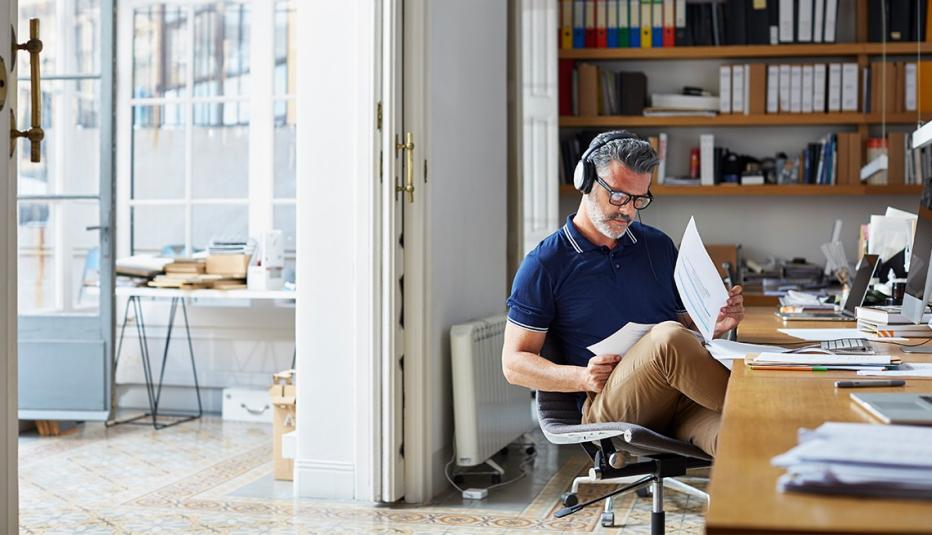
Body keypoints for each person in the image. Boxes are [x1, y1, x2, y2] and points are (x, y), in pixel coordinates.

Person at [501, 131, 744, 456]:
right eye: (618, 196)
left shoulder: (657, 247)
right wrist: (583, 378)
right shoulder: (545, 264)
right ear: (586, 180)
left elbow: (687, 328)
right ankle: (764, 405)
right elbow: (513, 364)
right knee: (667, 338)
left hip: (681, 402)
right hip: (613, 409)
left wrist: (714, 322)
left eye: (638, 199)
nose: (628, 211)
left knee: (748, 440)